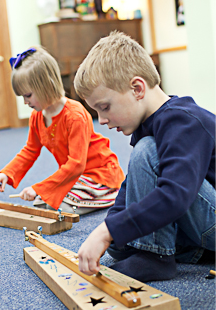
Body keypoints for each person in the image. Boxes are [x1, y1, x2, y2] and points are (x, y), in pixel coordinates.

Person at [74, 31, 216, 282]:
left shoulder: (184, 121)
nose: (102, 120)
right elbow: (129, 188)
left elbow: (175, 195)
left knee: (148, 151)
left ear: (137, 88)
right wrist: (109, 228)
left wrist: (107, 231)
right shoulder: (148, 124)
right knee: (120, 246)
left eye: (105, 107)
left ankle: (155, 257)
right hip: (201, 222)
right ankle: (173, 249)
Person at [0, 46, 124, 215]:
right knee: (42, 202)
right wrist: (7, 173)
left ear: (46, 86)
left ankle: (114, 193)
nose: (25, 102)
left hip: (99, 175)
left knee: (61, 208)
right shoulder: (37, 116)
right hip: (75, 176)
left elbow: (76, 164)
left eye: (28, 95)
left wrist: (40, 188)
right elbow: (30, 150)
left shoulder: (74, 115)